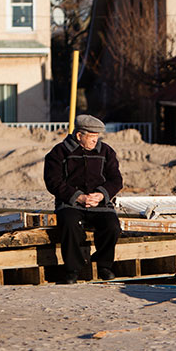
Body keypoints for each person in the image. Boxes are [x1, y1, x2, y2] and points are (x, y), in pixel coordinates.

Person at [43, 114, 123, 283]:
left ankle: (104, 265)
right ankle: (73, 269)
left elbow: (116, 180)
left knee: (112, 226)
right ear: (79, 136)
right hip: (71, 203)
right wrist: (77, 197)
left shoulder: (106, 151)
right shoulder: (59, 152)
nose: (96, 141)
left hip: (99, 203)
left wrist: (102, 194)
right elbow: (53, 181)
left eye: (97, 137)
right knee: (69, 224)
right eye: (92, 137)